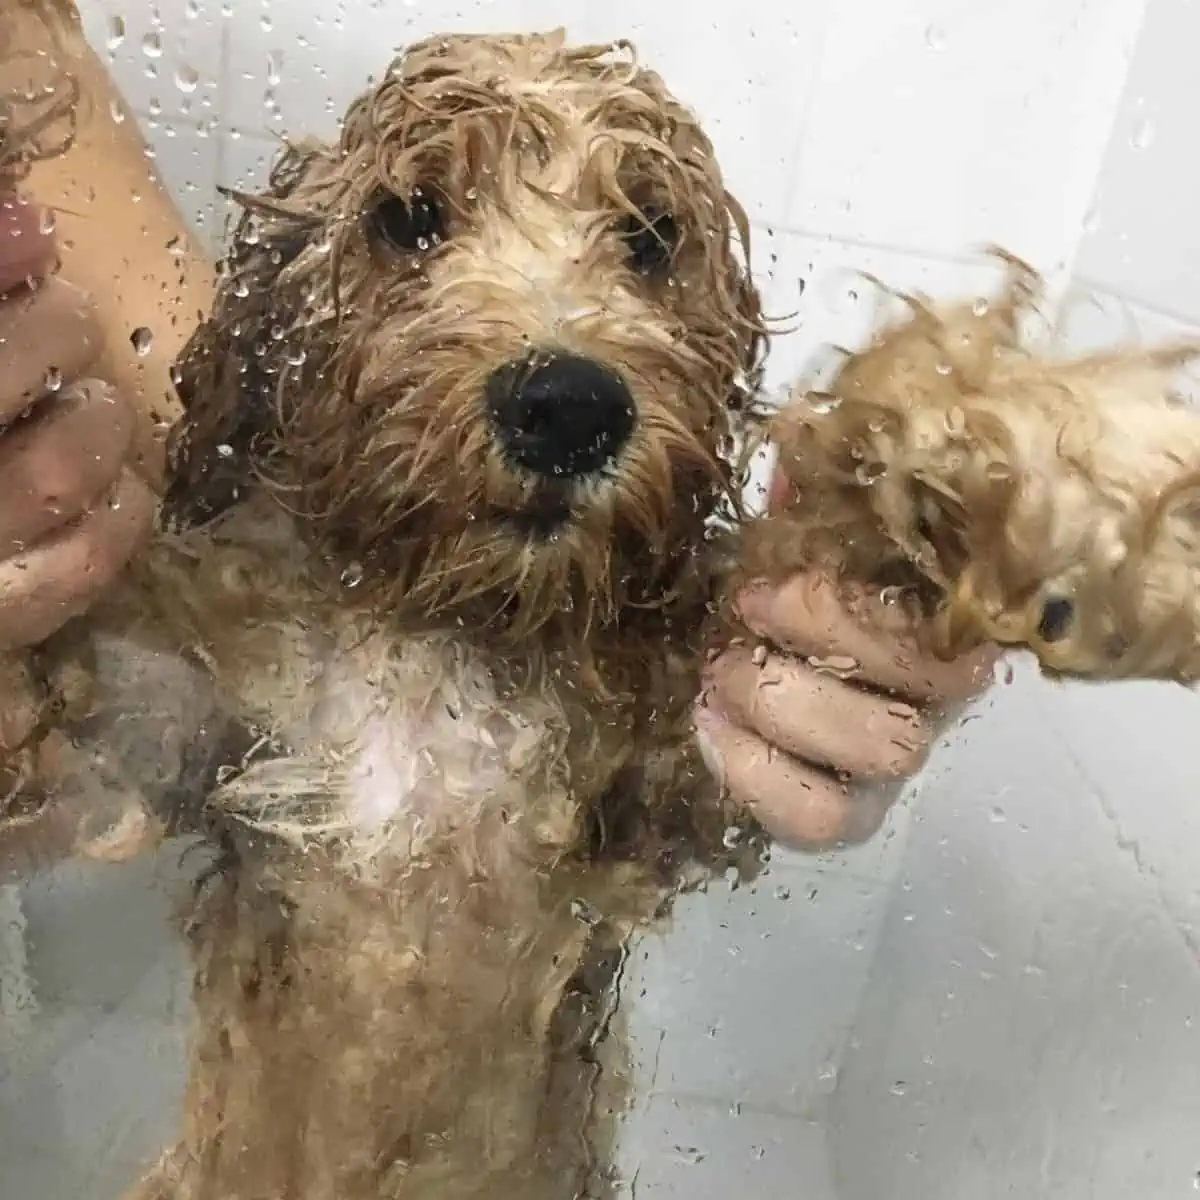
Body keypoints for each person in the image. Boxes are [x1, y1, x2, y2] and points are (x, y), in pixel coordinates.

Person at [0, 2, 992, 853]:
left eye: (644, 247)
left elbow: (180, 427)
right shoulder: (243, 631)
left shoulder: (645, 683)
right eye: (416, 223)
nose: (557, 345)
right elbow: (209, 428)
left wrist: (830, 645)